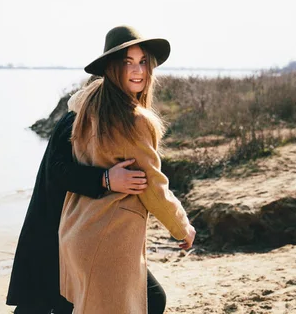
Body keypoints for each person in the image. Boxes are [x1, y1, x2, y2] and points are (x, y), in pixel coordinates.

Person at [59, 25, 196, 314]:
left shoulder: (87, 106)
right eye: (127, 63)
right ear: (111, 68)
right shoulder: (134, 120)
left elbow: (75, 99)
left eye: (143, 62)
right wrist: (181, 227)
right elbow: (154, 187)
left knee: (150, 301)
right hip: (107, 238)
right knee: (150, 303)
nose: (138, 71)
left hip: (77, 232)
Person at [6, 109, 169, 313]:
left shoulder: (116, 118)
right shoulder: (78, 115)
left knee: (152, 299)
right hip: (56, 237)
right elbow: (57, 170)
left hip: (88, 236)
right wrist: (105, 179)